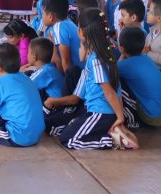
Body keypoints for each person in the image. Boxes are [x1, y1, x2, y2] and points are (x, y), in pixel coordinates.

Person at [45, 8, 127, 149]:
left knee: (68, 140)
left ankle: (112, 141)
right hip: (95, 110)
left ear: (81, 33)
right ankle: (107, 132)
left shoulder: (96, 59)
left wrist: (120, 118)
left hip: (101, 113)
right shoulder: (103, 53)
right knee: (57, 129)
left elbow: (109, 92)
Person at [118, 26, 161, 128]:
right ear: (143, 47)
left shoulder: (124, 65)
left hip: (151, 117)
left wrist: (122, 54)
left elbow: (110, 74)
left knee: (115, 83)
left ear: (121, 47)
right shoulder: (146, 58)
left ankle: (131, 121)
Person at [42, 0, 84, 93]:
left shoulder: (59, 27)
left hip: (76, 76)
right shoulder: (68, 23)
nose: (42, 17)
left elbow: (66, 60)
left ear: (50, 16)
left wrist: (69, 86)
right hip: (79, 72)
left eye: (43, 14)